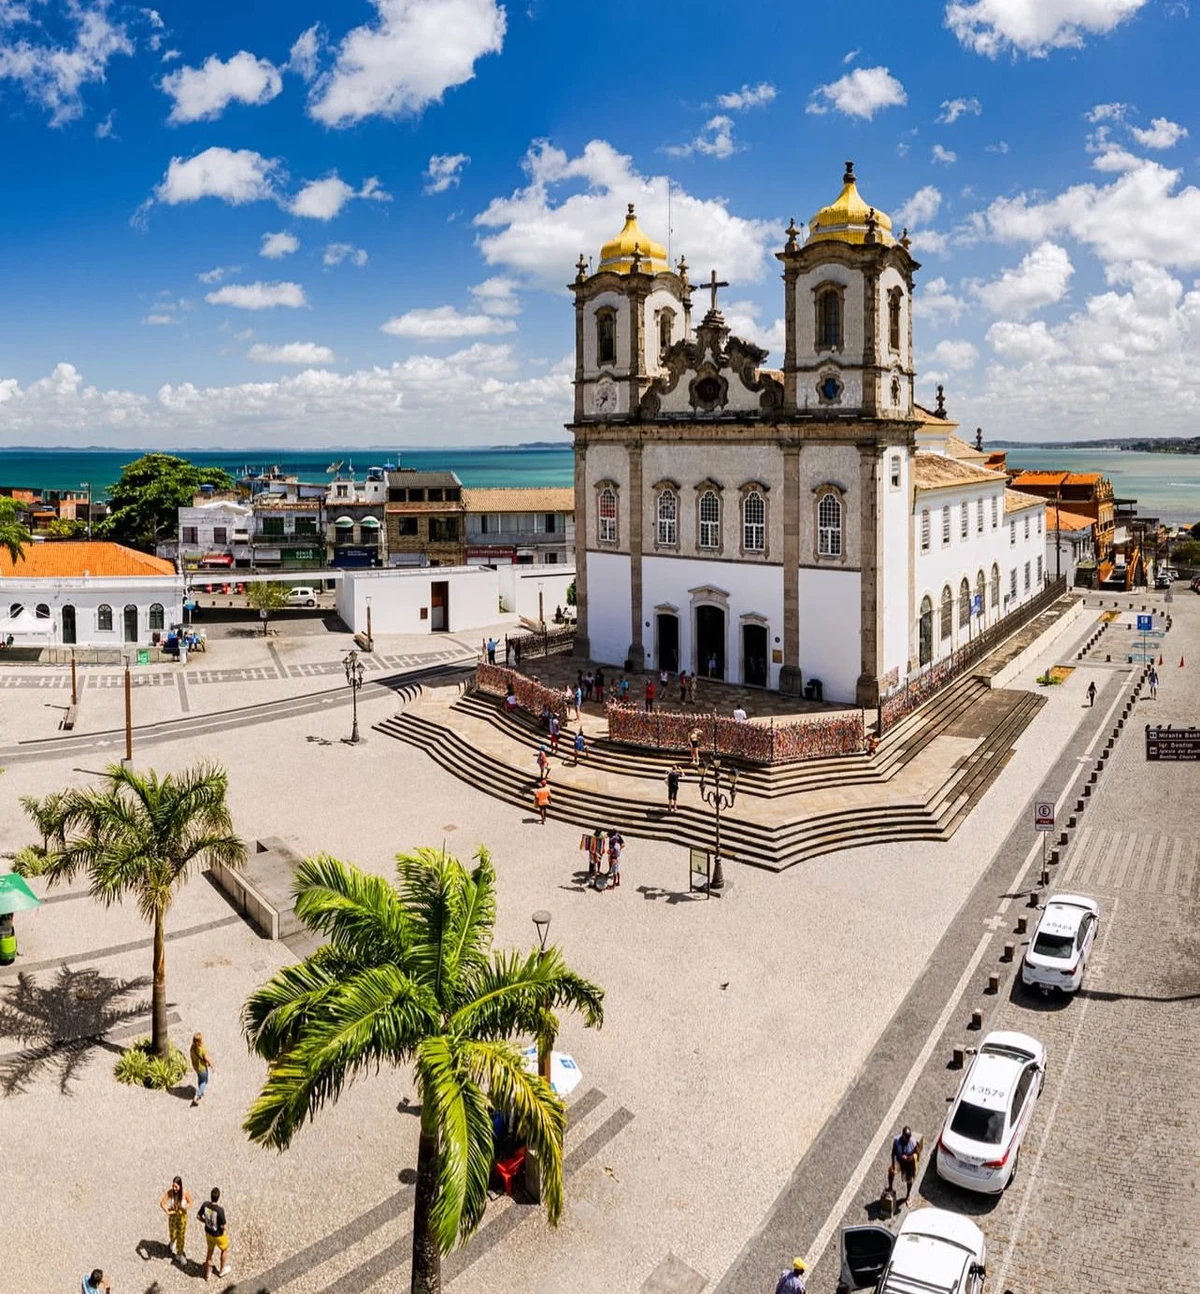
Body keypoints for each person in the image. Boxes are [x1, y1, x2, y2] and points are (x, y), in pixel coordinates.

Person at [197, 1186, 232, 1280]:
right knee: (224, 1249)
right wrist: (223, 1230)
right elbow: (224, 1226)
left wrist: (205, 1222)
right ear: (218, 1197)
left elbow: (198, 1216)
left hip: (208, 1233)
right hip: (218, 1235)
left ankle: (207, 1274)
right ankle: (222, 1270)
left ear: (211, 1196)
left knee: (210, 1252)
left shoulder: (205, 1205)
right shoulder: (220, 1210)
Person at [160, 1175, 192, 1264]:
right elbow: (162, 1202)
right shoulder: (170, 1192)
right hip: (173, 1216)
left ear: (180, 1186)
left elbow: (190, 1202)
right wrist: (167, 1211)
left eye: (176, 1186)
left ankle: (180, 1254)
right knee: (173, 1232)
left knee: (181, 1236)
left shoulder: (185, 1193)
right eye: (173, 1186)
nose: (174, 1188)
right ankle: (172, 1241)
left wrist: (185, 1207)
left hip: (182, 1217)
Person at [888, 1126, 921, 1203]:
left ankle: (908, 1195)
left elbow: (917, 1154)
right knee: (890, 1171)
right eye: (906, 1137)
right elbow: (893, 1153)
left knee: (909, 1180)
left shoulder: (913, 1142)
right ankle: (890, 1187)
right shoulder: (896, 1141)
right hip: (899, 1161)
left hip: (909, 1164)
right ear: (902, 1135)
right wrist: (893, 1165)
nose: (908, 1139)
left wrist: (909, 1158)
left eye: (909, 1137)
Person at [190, 1031, 211, 1106]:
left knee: (200, 1079)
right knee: (205, 1081)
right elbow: (207, 1059)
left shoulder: (192, 1047)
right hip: (202, 1068)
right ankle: (197, 1095)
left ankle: (200, 1092)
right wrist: (212, 1066)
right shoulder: (202, 1049)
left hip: (196, 1067)